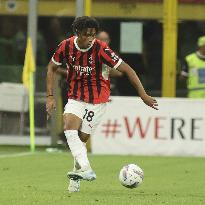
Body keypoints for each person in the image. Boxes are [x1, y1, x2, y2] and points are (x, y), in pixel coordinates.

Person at [46, 16, 158, 193]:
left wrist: (143, 95)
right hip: (75, 97)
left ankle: (77, 176)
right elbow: (51, 67)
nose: (91, 38)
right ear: (77, 33)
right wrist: (50, 96)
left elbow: (127, 70)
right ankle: (87, 169)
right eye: (86, 34)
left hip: (97, 101)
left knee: (80, 141)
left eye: (93, 34)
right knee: (69, 128)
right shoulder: (65, 46)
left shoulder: (101, 48)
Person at [97, 30, 123, 95]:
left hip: (112, 91)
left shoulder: (113, 55)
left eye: (106, 39)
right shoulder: (90, 54)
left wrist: (102, 67)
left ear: (109, 41)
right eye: (101, 39)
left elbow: (119, 73)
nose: (104, 42)